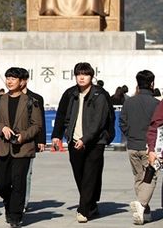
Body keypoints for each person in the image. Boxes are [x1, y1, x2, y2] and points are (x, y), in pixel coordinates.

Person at [51, 62, 113, 223]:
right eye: (79, 74)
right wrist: (57, 135)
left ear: (91, 76)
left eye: (85, 74)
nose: (81, 77)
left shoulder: (100, 95)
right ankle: (91, 204)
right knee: (79, 174)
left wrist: (85, 139)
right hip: (74, 140)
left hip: (95, 142)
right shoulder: (70, 93)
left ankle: (83, 210)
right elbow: (61, 115)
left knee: (90, 175)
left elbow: (99, 121)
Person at [0, 67, 42, 228]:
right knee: (1, 183)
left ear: (22, 82)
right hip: (2, 147)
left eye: (13, 78)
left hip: (23, 149)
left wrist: (24, 135)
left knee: (18, 183)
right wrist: (1, 128)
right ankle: (8, 203)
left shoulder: (31, 101)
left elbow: (37, 125)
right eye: (7, 78)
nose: (9, 81)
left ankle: (16, 216)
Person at [120, 70, 159, 224]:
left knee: (139, 177)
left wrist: (130, 135)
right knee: (151, 176)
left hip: (132, 145)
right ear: (152, 84)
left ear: (137, 83)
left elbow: (122, 122)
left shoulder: (128, 102)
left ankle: (145, 213)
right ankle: (141, 204)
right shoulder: (156, 104)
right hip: (149, 147)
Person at [19, 67, 46, 212]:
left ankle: (23, 202)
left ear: (25, 80)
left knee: (27, 173)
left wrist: (41, 140)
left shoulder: (36, 98)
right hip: (11, 140)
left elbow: (40, 121)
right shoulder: (6, 98)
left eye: (21, 79)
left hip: (30, 140)